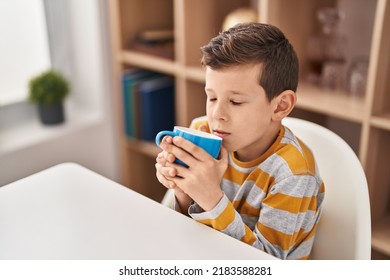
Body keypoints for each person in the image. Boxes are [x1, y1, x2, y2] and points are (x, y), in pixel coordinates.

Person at [155, 22, 324, 260]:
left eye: (235, 102)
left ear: (280, 106)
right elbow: (182, 235)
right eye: (212, 97)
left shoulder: (293, 174)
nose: (216, 115)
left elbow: (266, 264)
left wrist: (211, 199)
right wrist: (183, 191)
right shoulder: (201, 132)